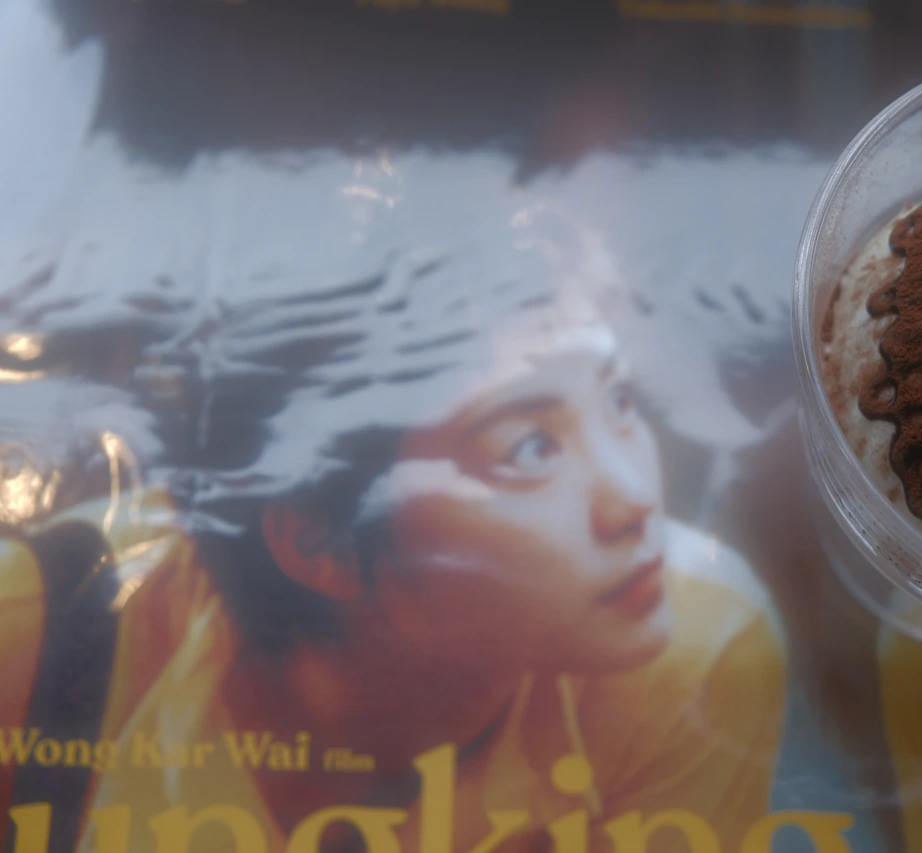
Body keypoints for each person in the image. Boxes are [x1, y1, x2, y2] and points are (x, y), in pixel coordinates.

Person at [0, 203, 785, 853]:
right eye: (529, 449)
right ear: (319, 542)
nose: (635, 499)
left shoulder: (697, 651)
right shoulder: (39, 632)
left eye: (618, 400)